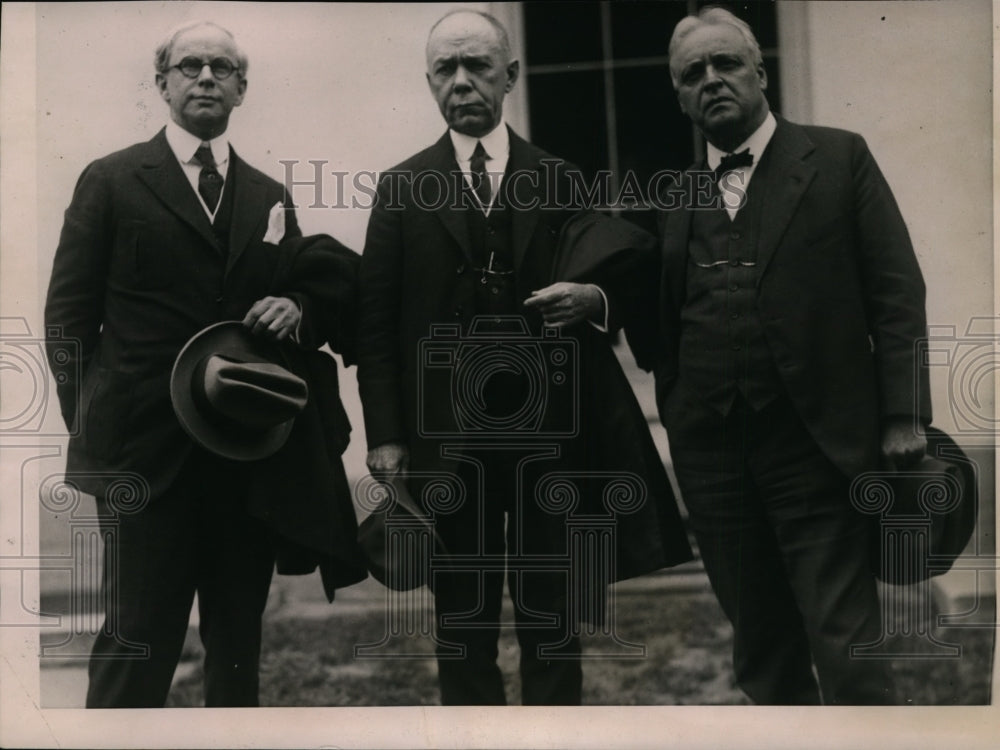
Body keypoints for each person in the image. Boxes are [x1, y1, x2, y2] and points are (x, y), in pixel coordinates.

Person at [357, 9, 691, 705]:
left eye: (477, 66)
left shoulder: (558, 176)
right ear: (429, 81)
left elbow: (616, 270)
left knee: (552, 613)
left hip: (548, 437)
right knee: (462, 618)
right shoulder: (400, 188)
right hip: (447, 440)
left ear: (509, 76)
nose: (461, 81)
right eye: (445, 69)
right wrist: (386, 436)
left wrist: (593, 298)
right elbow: (377, 327)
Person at [44, 21, 365, 707]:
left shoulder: (269, 195)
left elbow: (302, 281)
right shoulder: (111, 180)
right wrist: (101, 424)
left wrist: (296, 305)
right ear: (162, 83)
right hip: (143, 461)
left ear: (242, 88)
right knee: (136, 643)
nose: (206, 78)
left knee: (237, 651)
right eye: (190, 66)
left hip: (243, 455)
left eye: (223, 67)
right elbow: (66, 322)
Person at [652, 7, 931, 704]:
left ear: (761, 73)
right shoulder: (675, 197)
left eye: (726, 64)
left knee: (845, 643)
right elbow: (657, 308)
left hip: (814, 444)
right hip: (714, 456)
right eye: (692, 74)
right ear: (679, 97)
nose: (711, 80)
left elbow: (896, 291)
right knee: (762, 652)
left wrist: (903, 414)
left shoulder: (838, 158)